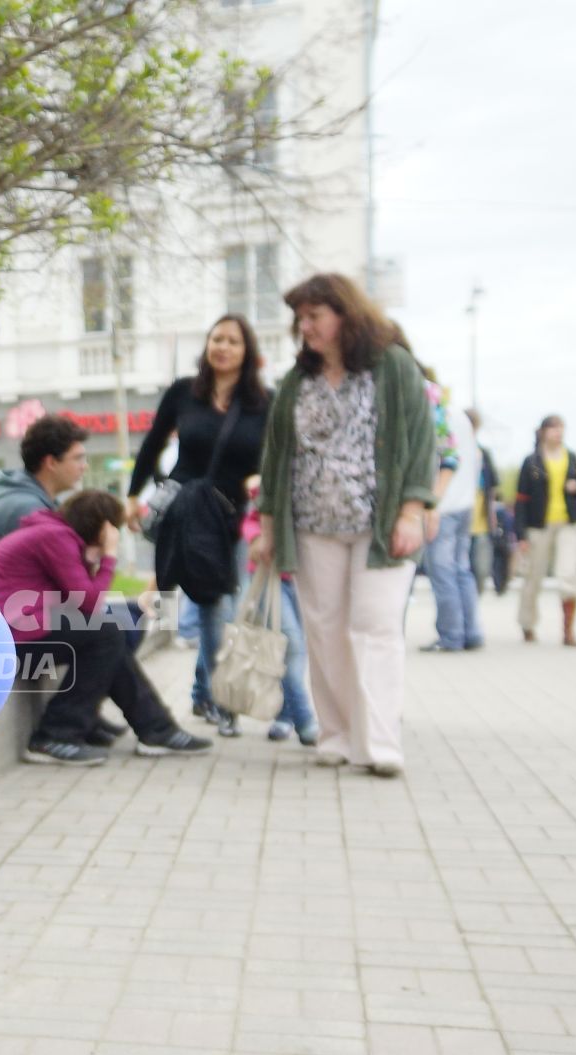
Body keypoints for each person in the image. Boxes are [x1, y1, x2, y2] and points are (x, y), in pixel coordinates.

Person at [251, 273, 435, 779]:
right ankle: (334, 733)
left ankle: (379, 741)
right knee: (325, 632)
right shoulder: (296, 381)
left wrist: (411, 512)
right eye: (301, 318)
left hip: (378, 526)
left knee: (375, 629)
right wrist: (268, 527)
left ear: (344, 315)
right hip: (312, 525)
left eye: (314, 316)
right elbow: (275, 459)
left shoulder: (392, 367)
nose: (304, 326)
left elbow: (422, 441)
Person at [0, 489, 213, 764]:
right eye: (114, 530)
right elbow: (89, 603)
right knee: (106, 631)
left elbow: (80, 601)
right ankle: (55, 736)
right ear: (103, 526)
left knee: (110, 630)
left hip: (16, 631)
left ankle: (154, 728)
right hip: (2, 639)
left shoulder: (56, 535)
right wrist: (108, 556)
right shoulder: (54, 536)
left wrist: (92, 557)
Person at [126, 314, 270, 736]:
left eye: (233, 341)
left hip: (233, 518)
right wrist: (134, 496)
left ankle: (202, 693)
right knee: (212, 604)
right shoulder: (184, 392)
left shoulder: (264, 403)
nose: (223, 347)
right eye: (216, 339)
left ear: (248, 352)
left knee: (225, 603)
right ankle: (220, 701)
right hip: (188, 515)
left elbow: (271, 459)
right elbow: (153, 443)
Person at [241, 489, 319, 745]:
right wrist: (255, 538)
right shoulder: (274, 478)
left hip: (307, 576)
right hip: (270, 574)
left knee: (297, 649)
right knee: (291, 646)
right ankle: (306, 720)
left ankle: (285, 716)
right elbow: (252, 518)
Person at [0, 413, 88, 568]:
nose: (84, 466)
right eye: (77, 458)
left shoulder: (27, 499)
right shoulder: (26, 509)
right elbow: (68, 574)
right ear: (51, 463)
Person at [513, 414, 576, 646]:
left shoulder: (572, 458)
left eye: (561, 428)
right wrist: (521, 534)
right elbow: (520, 501)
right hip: (539, 524)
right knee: (533, 577)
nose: (558, 433)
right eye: (554, 428)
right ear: (543, 431)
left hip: (569, 522)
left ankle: (568, 631)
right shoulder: (532, 462)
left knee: (569, 574)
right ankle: (527, 623)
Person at [421, 385, 485, 652]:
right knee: (462, 570)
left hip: (442, 505)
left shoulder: (435, 415)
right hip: (465, 504)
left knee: (442, 573)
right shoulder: (460, 416)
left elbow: (444, 459)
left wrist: (431, 504)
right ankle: (472, 632)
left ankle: (451, 636)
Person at [469, 412, 502, 597]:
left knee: (481, 568)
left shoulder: (484, 454)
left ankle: (474, 599)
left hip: (481, 520)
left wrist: (493, 516)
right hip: (457, 519)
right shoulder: (452, 451)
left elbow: (493, 487)